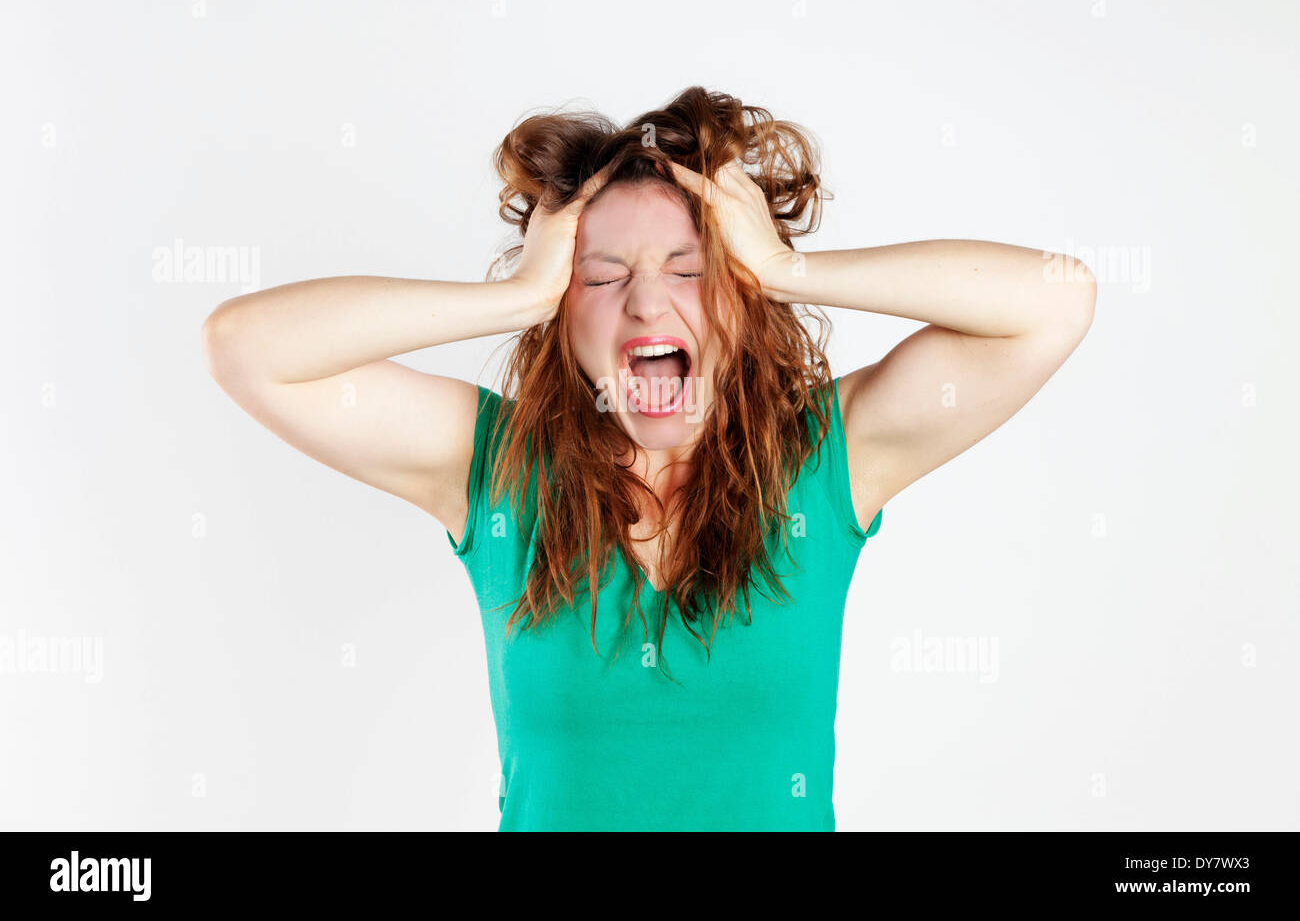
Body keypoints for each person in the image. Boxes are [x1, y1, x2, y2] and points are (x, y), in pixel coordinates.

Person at [201, 86, 1096, 831]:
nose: (646, 303)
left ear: (742, 296)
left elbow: (1056, 301)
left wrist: (790, 271)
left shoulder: (828, 462)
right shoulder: (495, 468)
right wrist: (514, 295)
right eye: (600, 276)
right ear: (564, 310)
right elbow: (246, 347)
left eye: (691, 267)